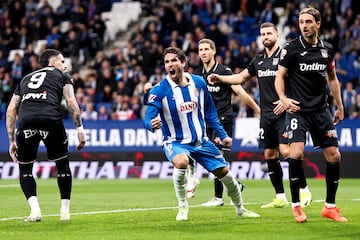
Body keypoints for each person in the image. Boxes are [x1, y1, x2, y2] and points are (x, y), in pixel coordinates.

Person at [143, 46, 260, 221]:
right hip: (175, 142)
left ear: (183, 63)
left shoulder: (198, 82)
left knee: (226, 175)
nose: (170, 65)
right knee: (181, 162)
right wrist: (152, 124)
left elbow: (210, 114)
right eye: (167, 62)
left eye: (174, 60)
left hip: (201, 141)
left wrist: (223, 135)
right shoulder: (159, 90)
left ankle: (240, 209)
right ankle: (182, 206)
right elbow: (147, 118)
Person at [207, 23, 312, 209]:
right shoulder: (258, 61)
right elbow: (240, 78)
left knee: (287, 152)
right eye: (263, 34)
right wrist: (220, 78)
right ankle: (280, 196)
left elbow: (300, 82)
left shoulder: (286, 57)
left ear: (277, 35)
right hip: (266, 115)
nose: (266, 36)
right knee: (269, 154)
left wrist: (285, 99)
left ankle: (304, 189)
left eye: (269, 33)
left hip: (285, 113)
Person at [274, 7, 347, 223]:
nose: (304, 26)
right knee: (295, 154)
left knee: (335, 156)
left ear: (318, 23)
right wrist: (284, 99)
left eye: (308, 22)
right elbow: (280, 76)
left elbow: (332, 78)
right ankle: (296, 206)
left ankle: (330, 207)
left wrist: (340, 106)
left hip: (321, 110)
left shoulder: (327, 50)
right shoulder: (291, 49)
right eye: (301, 22)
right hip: (298, 110)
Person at [6, 49, 86, 222]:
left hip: (26, 121)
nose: (65, 65)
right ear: (52, 63)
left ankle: (35, 211)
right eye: (62, 61)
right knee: (62, 164)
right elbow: (71, 101)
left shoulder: (25, 79)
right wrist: (80, 130)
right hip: (50, 119)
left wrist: (12, 140)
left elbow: (11, 110)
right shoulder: (63, 76)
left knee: (25, 168)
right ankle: (64, 211)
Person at [194, 38, 260, 207]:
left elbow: (240, 92)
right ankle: (235, 184)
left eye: (206, 49)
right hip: (204, 122)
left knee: (217, 156)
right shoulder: (197, 74)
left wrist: (257, 109)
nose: (203, 52)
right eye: (200, 50)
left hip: (223, 120)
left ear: (213, 51)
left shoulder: (224, 71)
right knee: (209, 160)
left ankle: (218, 197)